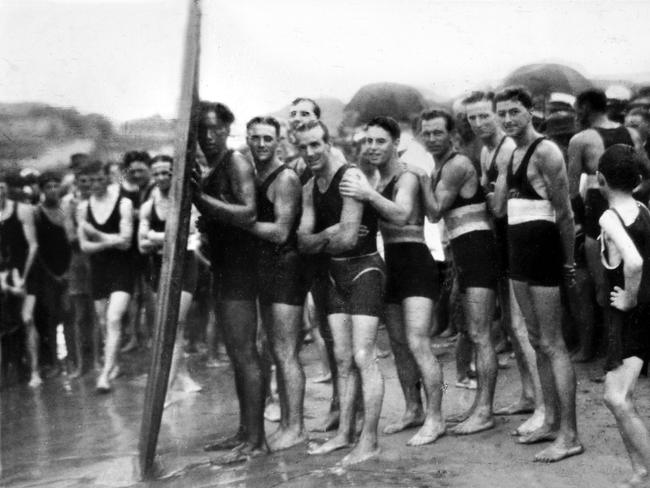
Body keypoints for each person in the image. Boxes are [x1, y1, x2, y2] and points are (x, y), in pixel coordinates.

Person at [339, 116, 445, 446]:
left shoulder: (407, 175)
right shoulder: (378, 177)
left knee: (417, 343)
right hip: (393, 266)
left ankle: (436, 418)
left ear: (395, 143)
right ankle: (413, 409)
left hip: (416, 262)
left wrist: (368, 194)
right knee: (398, 347)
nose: (371, 147)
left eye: (379, 141)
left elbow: (400, 213)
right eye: (367, 141)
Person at [493, 86, 583, 462]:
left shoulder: (545, 150)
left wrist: (568, 263)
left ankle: (570, 434)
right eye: (503, 113)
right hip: (519, 253)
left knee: (552, 342)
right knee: (534, 338)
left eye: (515, 111)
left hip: (544, 253)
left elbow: (564, 212)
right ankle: (549, 421)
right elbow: (503, 207)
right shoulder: (511, 153)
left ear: (531, 111)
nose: (508, 119)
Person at [296, 120, 385, 465]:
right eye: (303, 147)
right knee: (343, 360)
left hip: (364, 269)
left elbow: (349, 240)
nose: (310, 153)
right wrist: (329, 233)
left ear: (328, 142)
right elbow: (303, 243)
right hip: (334, 275)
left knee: (364, 357)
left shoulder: (350, 179)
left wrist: (321, 238)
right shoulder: (308, 187)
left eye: (316, 145)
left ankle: (370, 440)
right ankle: (344, 434)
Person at [464, 91, 546, 434]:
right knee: (513, 328)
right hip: (501, 241)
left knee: (523, 327)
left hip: (520, 240)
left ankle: (543, 406)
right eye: (473, 118)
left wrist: (496, 194)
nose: (480, 123)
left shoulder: (509, 149)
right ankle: (529, 395)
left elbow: (496, 207)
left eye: (485, 116)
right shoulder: (487, 151)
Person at [417, 109, 499, 436]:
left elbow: (435, 212)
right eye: (428, 133)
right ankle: (480, 407)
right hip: (465, 250)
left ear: (451, 134)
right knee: (472, 330)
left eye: (439, 132)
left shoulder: (456, 165)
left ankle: (484, 411)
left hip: (477, 249)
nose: (432, 138)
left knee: (479, 333)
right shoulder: (443, 165)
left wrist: (421, 182)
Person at [192, 101, 265, 459]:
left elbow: (249, 213)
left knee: (245, 354)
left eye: (215, 129)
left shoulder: (235, 161)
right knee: (237, 356)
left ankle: (255, 440)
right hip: (223, 267)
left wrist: (202, 202)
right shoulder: (211, 167)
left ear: (226, 129)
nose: (208, 136)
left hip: (241, 268)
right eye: (202, 130)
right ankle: (244, 432)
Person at [244, 116, 308, 450]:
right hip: (266, 269)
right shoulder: (254, 174)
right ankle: (286, 421)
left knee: (286, 352)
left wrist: (239, 223)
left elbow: (282, 231)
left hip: (286, 267)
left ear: (278, 140)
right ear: (247, 139)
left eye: (268, 138)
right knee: (273, 349)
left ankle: (295, 427)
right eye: (255, 138)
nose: (262, 144)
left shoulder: (285, 178)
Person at [567, 89, 641, 362]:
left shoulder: (581, 139)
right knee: (628, 283)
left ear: (585, 107)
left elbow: (571, 189)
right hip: (630, 211)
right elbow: (645, 176)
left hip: (597, 214)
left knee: (601, 288)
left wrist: (576, 221)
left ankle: (606, 354)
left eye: (578, 108)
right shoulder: (631, 134)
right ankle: (622, 352)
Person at [598, 144, 650, 488]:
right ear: (638, 181)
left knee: (615, 397)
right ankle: (639, 472)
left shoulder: (609, 216)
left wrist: (630, 298)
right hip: (644, 310)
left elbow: (634, 262)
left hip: (629, 314)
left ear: (600, 179)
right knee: (621, 396)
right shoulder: (644, 208)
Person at [138, 155, 202, 405]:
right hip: (158, 269)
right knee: (168, 327)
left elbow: (190, 232)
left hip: (184, 267)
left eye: (166, 173)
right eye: (157, 174)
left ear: (174, 174)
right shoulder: (147, 205)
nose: (162, 178)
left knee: (175, 325)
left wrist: (155, 236)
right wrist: (164, 238)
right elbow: (141, 245)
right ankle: (183, 377)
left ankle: (165, 391)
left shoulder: (186, 201)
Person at [77, 160, 134, 393]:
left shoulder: (124, 203)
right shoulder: (83, 207)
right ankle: (115, 364)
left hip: (122, 268)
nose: (96, 184)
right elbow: (84, 247)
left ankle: (105, 375)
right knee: (103, 322)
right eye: (91, 181)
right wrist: (110, 240)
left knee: (113, 318)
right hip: (99, 270)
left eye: (100, 179)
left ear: (108, 179)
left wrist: (97, 234)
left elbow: (126, 243)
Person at [0, 170, 41, 387]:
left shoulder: (22, 210)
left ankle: (35, 371)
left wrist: (23, 277)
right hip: (2, 273)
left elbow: (33, 245)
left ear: (6, 189)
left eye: (1, 188)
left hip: (24, 271)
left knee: (27, 319)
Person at [34, 171, 71, 375]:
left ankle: (72, 358)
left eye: (56, 186)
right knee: (50, 317)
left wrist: (67, 272)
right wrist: (52, 274)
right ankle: (55, 363)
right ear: (42, 190)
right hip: (48, 273)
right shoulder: (37, 213)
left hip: (68, 269)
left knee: (69, 314)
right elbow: (37, 249)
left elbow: (70, 244)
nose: (53, 190)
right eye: (48, 187)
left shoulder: (66, 210)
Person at [62, 155, 96, 375]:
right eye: (78, 172)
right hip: (78, 259)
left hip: (98, 257)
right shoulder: (69, 201)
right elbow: (71, 235)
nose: (83, 178)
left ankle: (99, 361)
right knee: (80, 313)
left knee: (99, 312)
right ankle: (81, 363)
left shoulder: (98, 196)